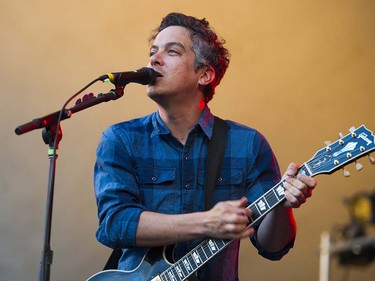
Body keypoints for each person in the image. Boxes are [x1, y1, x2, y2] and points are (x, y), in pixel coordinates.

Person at [94, 12, 317, 280]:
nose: (154, 59)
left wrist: (283, 203)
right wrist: (207, 222)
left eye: (172, 51)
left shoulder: (248, 144)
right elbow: (115, 224)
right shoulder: (121, 139)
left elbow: (273, 247)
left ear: (205, 75)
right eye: (153, 51)